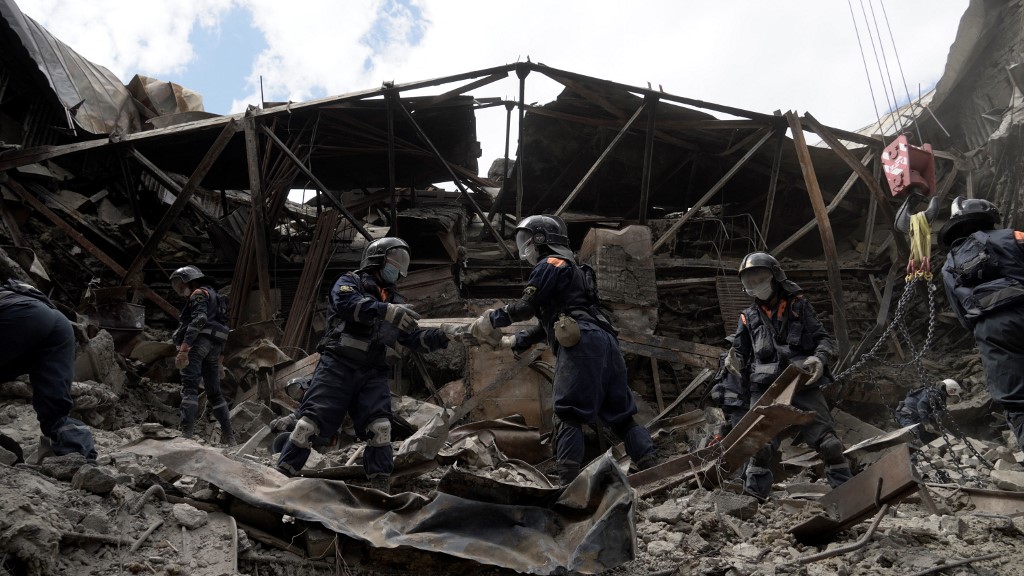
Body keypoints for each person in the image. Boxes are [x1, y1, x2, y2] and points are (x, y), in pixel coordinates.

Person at [468, 215, 658, 485]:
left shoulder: (550, 263)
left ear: (542, 240)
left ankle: (567, 482)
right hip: (605, 342)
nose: (525, 248)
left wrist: (490, 320)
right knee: (622, 416)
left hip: (582, 344)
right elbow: (559, 315)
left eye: (527, 240)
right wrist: (522, 339)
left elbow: (525, 307)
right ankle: (652, 466)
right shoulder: (577, 269)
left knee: (568, 413)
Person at [275, 237, 453, 493]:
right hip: (337, 365)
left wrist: (447, 335)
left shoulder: (396, 300)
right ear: (377, 260)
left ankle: (380, 485)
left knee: (380, 428)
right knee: (307, 426)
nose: (399, 268)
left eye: (403, 262)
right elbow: (348, 306)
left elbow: (412, 338)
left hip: (372, 372)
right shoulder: (350, 282)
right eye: (396, 260)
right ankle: (282, 477)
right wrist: (386, 311)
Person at [724, 251, 853, 499]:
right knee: (758, 447)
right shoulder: (747, 317)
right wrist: (733, 358)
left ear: (775, 277)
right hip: (764, 388)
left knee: (830, 445)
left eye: (759, 277)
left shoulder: (799, 306)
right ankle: (755, 500)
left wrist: (819, 357)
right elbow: (739, 351)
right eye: (748, 280)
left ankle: (849, 494)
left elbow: (823, 339)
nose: (754, 285)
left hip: (801, 382)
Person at [939, 196, 1024, 447]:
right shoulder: (1014, 236)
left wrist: (986, 329)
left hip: (991, 329)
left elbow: (962, 315)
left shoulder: (949, 265)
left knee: (1017, 403)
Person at [0, 278, 97, 462]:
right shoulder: (15, 290)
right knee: (55, 410)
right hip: (59, 324)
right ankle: (79, 460)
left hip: (21, 315)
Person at [169, 265, 234, 444]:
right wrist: (220, 358)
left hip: (198, 345)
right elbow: (221, 326)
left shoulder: (198, 294)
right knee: (215, 393)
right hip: (214, 348)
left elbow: (200, 319)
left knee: (189, 388)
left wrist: (184, 348)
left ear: (191, 280)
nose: (179, 289)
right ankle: (229, 436)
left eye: (180, 284)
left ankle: (186, 434)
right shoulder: (215, 296)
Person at [708, 335, 749, 444]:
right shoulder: (741, 359)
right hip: (738, 403)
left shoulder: (724, 359)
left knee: (725, 429)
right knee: (740, 436)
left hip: (724, 401)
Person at [895, 378, 962, 443]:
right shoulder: (935, 394)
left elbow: (937, 424)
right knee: (914, 438)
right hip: (906, 415)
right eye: (954, 399)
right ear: (950, 391)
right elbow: (921, 405)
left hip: (915, 417)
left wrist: (952, 438)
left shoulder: (938, 401)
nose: (952, 402)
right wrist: (926, 423)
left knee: (927, 437)